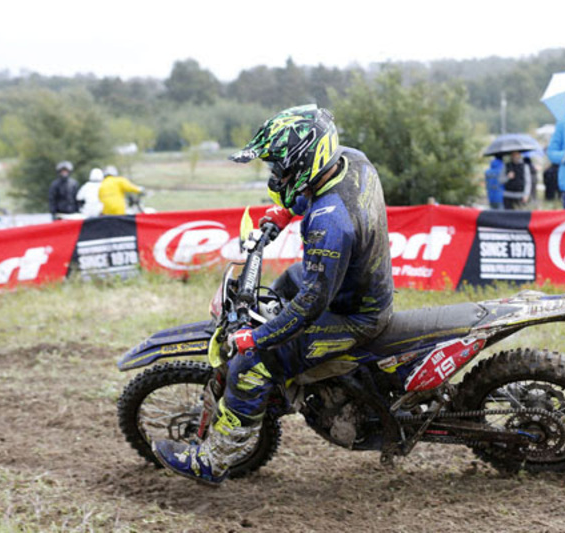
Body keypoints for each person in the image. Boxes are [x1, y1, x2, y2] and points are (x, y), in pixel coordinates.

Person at [152, 104, 395, 485]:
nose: (275, 175)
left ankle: (212, 463)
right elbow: (314, 193)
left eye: (280, 167)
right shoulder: (352, 161)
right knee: (285, 282)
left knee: (252, 363)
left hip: (353, 314)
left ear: (305, 162)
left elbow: (310, 306)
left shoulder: (330, 223)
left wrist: (256, 339)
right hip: (356, 283)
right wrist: (285, 211)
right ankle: (283, 389)